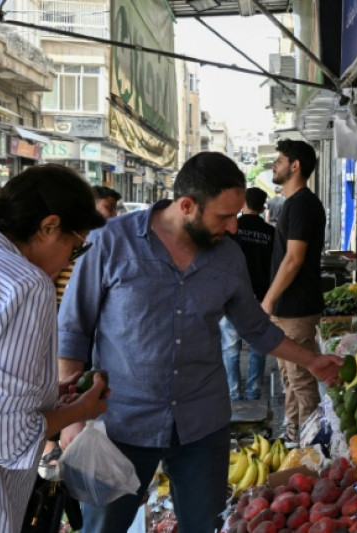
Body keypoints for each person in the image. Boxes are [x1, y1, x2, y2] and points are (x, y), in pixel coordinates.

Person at [57, 151, 341, 533]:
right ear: (187, 206)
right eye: (224, 217)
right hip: (121, 423)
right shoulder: (112, 242)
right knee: (102, 528)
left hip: (201, 425)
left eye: (236, 216)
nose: (234, 227)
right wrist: (73, 416)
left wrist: (311, 360)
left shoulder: (228, 256)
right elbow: (74, 328)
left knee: (206, 527)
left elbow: (255, 327)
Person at [0, 164, 109, 532]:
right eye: (75, 248)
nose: (68, 264)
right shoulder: (24, 284)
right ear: (48, 227)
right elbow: (1, 437)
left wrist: (43, 397)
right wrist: (79, 409)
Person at [261, 139, 326, 442]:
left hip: (297, 309)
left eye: (280, 159)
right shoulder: (292, 203)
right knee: (289, 380)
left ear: (295, 165)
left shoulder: (302, 204)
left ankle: (313, 448)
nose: (275, 164)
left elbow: (294, 259)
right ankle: (293, 439)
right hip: (285, 310)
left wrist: (269, 299)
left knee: (301, 381)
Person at [220, 187, 275, 401]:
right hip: (260, 298)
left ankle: (233, 393)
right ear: (262, 208)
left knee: (230, 348)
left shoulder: (232, 229)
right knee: (257, 347)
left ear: (243, 204)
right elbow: (275, 267)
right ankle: (254, 392)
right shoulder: (270, 234)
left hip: (231, 298)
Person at [54, 185, 122, 305]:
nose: (114, 214)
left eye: (115, 209)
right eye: (109, 208)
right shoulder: (73, 236)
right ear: (91, 206)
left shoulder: (108, 241)